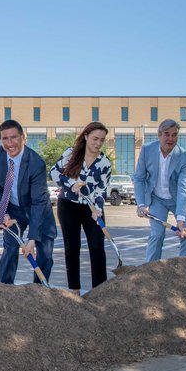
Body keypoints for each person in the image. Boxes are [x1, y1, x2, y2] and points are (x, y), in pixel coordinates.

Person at [0, 120, 56, 285]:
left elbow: (38, 202)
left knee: (45, 255)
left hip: (39, 209)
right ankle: (3, 290)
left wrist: (32, 238)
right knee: (10, 248)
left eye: (14, 138)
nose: (9, 143)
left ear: (23, 137)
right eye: (5, 139)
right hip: (13, 209)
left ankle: (39, 292)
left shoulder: (36, 163)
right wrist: (3, 212)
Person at [51, 122, 112, 290]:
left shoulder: (104, 163)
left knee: (97, 247)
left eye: (101, 140)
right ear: (86, 137)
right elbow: (54, 172)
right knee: (72, 247)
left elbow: (102, 190)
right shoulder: (71, 153)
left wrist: (98, 209)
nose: (98, 143)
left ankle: (100, 290)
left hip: (91, 208)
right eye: (95, 139)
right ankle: (74, 290)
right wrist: (71, 184)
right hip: (68, 205)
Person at [132, 119, 186, 262]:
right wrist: (141, 204)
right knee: (157, 235)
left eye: (174, 135)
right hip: (157, 199)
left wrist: (181, 219)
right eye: (167, 134)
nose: (170, 138)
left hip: (180, 200)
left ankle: (185, 272)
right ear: (159, 135)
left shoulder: (185, 157)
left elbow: (183, 187)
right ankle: (150, 271)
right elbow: (139, 178)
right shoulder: (147, 150)